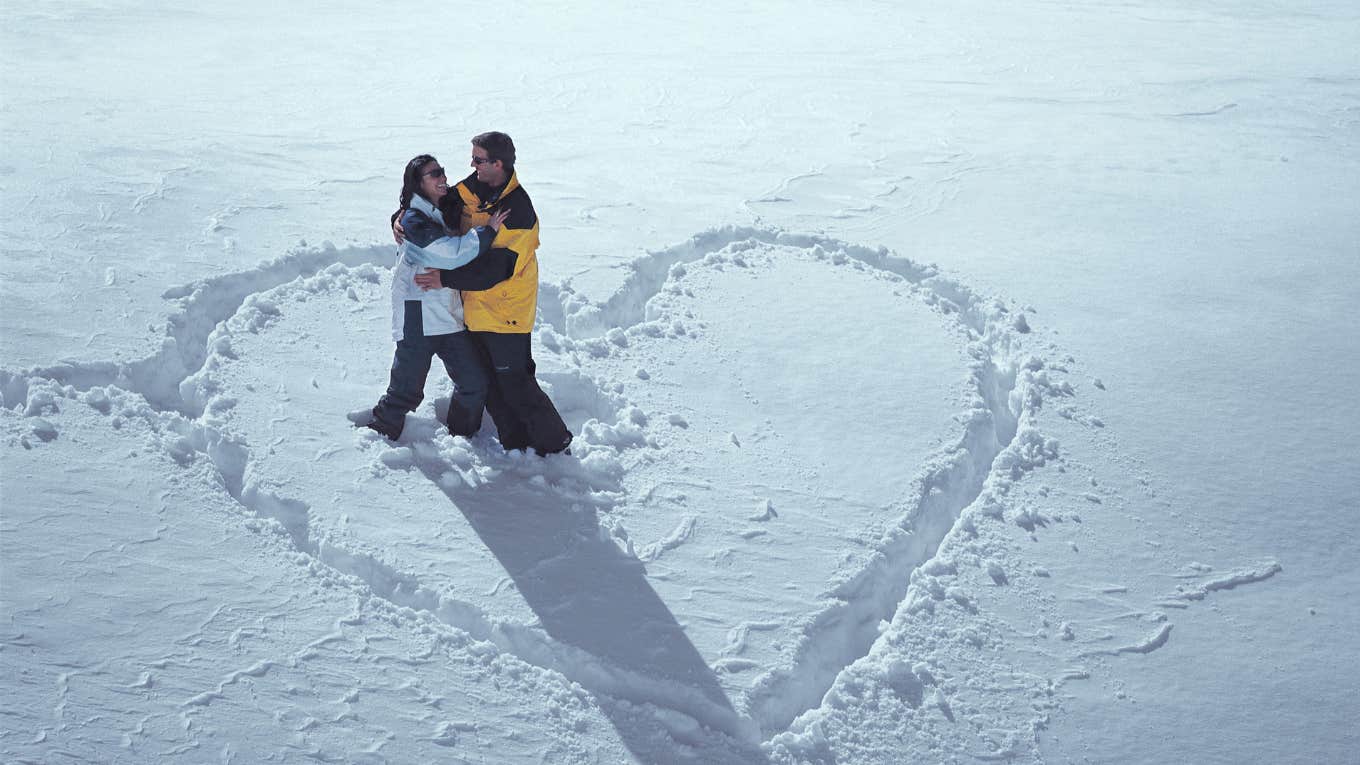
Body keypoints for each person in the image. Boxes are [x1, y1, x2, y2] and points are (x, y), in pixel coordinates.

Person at [403, 132, 573, 456]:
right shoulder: (473, 189)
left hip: (505, 313)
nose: (472, 164)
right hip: (475, 308)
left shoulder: (518, 210)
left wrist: (446, 278)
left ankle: (555, 444)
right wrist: (401, 218)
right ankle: (516, 444)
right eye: (473, 158)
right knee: (492, 384)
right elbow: (429, 205)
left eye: (479, 159)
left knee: (516, 382)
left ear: (498, 163)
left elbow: (497, 268)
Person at [365, 154, 510, 441]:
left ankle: (463, 436)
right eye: (434, 174)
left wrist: (396, 216)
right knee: (406, 388)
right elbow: (449, 253)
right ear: (418, 184)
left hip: (449, 312)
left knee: (474, 383)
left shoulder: (444, 204)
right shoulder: (414, 219)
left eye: (442, 171)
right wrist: (487, 232)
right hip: (418, 313)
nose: (442, 178)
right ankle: (381, 434)